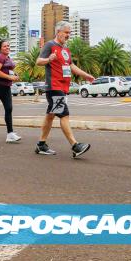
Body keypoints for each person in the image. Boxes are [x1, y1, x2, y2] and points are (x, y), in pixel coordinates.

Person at [35, 21, 95, 158]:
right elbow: (38, 62)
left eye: (70, 33)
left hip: (63, 86)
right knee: (64, 114)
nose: (69, 35)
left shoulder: (66, 49)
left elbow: (71, 66)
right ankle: (75, 145)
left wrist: (86, 75)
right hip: (54, 86)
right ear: (58, 32)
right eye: (66, 32)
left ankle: (41, 144)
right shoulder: (50, 45)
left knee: (50, 116)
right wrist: (48, 59)